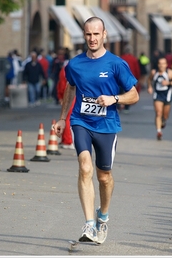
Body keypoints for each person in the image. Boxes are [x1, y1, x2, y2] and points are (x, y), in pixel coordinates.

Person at [52, 16, 139, 244]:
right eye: (88, 34)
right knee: (84, 166)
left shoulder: (116, 64)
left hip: (107, 125)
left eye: (96, 34)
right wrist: (63, 118)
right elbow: (70, 89)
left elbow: (134, 95)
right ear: (84, 35)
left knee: (104, 177)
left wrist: (114, 98)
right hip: (81, 121)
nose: (92, 38)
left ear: (104, 35)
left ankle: (103, 216)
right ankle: (89, 225)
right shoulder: (75, 64)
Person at [147, 56, 172, 140]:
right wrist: (149, 87)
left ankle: (163, 120)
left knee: (165, 115)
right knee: (158, 113)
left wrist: (168, 82)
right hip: (157, 95)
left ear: (166, 65)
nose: (161, 65)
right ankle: (159, 132)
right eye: (160, 64)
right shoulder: (154, 72)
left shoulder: (170, 72)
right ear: (158, 65)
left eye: (163, 64)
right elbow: (149, 80)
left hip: (167, 95)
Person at [56, 59, 75, 149]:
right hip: (71, 96)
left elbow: (61, 85)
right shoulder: (71, 70)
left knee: (65, 118)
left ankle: (66, 140)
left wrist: (60, 96)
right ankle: (66, 140)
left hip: (66, 96)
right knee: (67, 118)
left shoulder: (63, 71)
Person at [120, 45, 140, 113]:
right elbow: (137, 69)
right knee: (128, 91)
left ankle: (119, 105)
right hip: (130, 77)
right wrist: (137, 77)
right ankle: (126, 107)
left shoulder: (121, 58)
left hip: (121, 76)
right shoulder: (133, 59)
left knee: (120, 91)